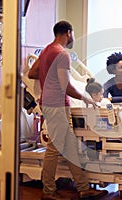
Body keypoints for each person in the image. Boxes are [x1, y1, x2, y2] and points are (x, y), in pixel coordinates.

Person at [28, 21, 108, 200]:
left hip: (49, 103)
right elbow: (66, 85)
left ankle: (83, 188)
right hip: (57, 104)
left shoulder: (47, 50)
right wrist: (85, 98)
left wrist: (46, 78)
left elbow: (32, 73)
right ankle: (48, 191)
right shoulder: (62, 54)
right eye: (73, 34)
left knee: (71, 147)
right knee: (55, 148)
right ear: (69, 33)